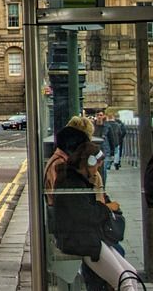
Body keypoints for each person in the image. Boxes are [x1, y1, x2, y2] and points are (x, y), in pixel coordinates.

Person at [50, 124, 143, 291]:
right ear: (87, 162)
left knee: (130, 273)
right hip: (81, 240)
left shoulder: (79, 180)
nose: (97, 170)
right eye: (96, 166)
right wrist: (107, 209)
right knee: (124, 281)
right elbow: (86, 214)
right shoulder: (71, 183)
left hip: (90, 237)